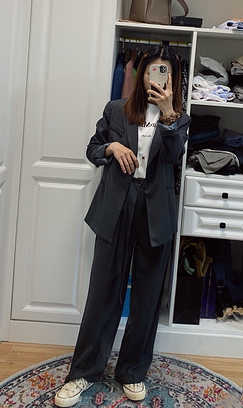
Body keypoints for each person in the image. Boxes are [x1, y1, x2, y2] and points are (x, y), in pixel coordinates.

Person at [55, 45, 191, 407]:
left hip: (156, 212)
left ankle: (132, 371)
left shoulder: (179, 119)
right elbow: (92, 149)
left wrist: (168, 117)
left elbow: (174, 157)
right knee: (103, 291)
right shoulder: (116, 109)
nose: (155, 78)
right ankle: (84, 372)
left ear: (173, 80)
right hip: (116, 207)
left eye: (164, 72)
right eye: (150, 71)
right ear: (140, 73)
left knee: (147, 296)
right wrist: (112, 147)